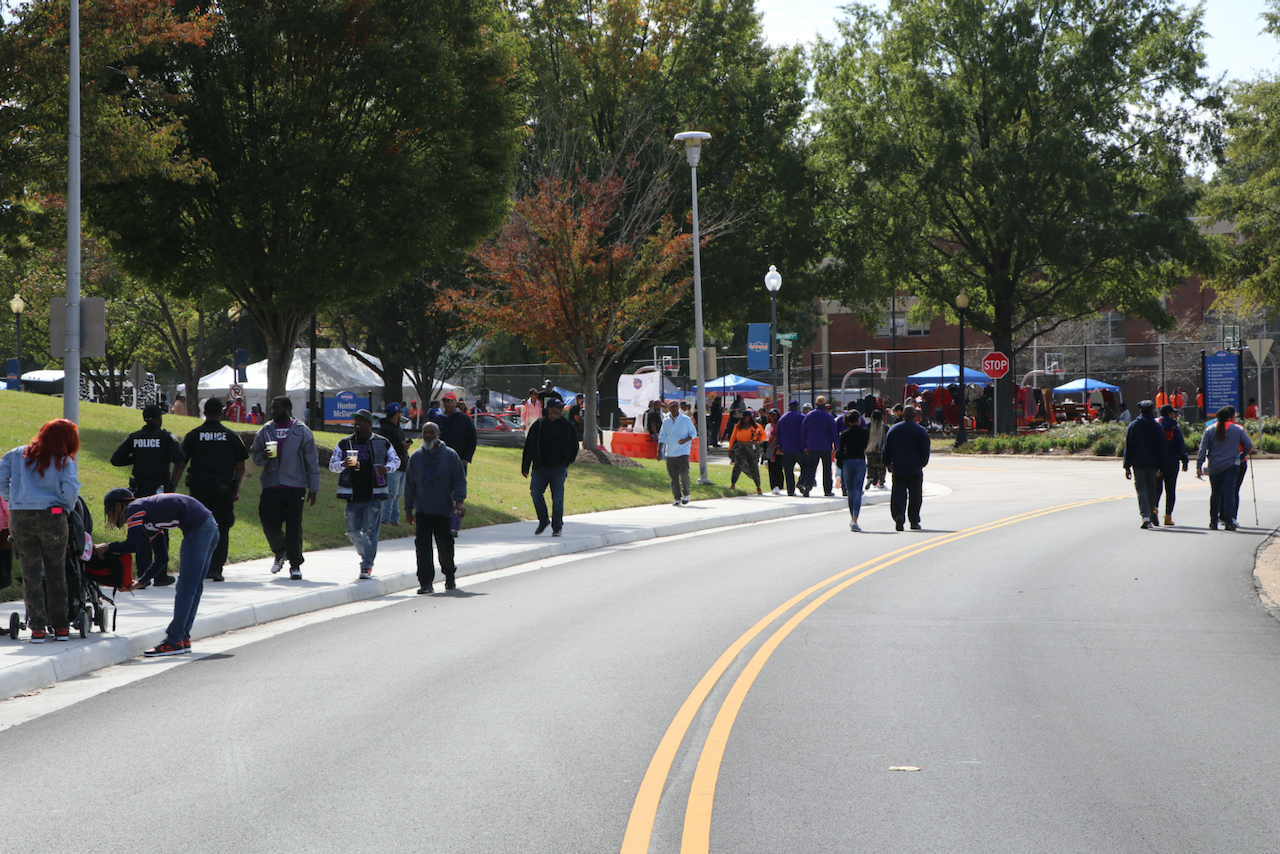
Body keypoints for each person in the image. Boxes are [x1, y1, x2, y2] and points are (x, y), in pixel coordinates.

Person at [98, 489, 219, 656]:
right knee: (193, 587)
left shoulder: (134, 507)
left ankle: (174, 640)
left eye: (109, 511)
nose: (110, 517)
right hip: (209, 526)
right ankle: (182, 638)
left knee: (186, 587)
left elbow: (133, 545)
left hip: (199, 528)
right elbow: (162, 557)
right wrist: (141, 582)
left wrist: (108, 546)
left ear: (119, 505)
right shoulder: (149, 518)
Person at [0, 419, 80, 642]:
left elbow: (1, 479)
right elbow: (70, 490)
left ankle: (37, 628)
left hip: (21, 517)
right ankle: (61, 626)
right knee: (56, 572)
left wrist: (12, 499)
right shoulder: (64, 460)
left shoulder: (17, 454)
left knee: (30, 574)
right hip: (52, 516)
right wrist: (66, 508)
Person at [171, 397, 249, 582]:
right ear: (222, 413)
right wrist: (237, 488)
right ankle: (216, 569)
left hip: (199, 489)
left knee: (198, 526)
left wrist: (172, 484)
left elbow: (181, 463)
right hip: (224, 488)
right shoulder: (231, 436)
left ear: (204, 413)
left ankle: (200, 567)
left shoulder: (193, 435)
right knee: (221, 526)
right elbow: (240, 466)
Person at [110, 404, 185, 586]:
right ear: (159, 419)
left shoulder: (134, 438)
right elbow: (180, 459)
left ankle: (144, 573)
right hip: (159, 490)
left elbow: (116, 459)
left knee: (141, 529)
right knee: (159, 529)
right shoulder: (166, 437)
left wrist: (135, 458)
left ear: (144, 419)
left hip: (139, 490)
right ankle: (160, 576)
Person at [250, 396, 320, 579]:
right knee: (267, 521)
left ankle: (295, 565)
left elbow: (312, 462)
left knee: (293, 526)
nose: (274, 411)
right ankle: (281, 550)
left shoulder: (302, 431)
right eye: (272, 408)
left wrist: (313, 488)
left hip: (295, 486)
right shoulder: (265, 430)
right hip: (271, 485)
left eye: (277, 408)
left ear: (288, 408)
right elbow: (255, 456)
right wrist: (263, 456)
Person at [328, 409, 400, 580]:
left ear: (369, 423)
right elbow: (332, 465)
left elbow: (396, 460)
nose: (357, 424)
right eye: (356, 421)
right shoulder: (345, 443)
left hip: (374, 494)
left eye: (361, 421)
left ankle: (366, 565)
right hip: (352, 494)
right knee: (352, 531)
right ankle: (366, 553)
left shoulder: (382, 442)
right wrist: (343, 464)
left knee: (371, 531)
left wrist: (386, 468)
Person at [405, 422, 467, 593]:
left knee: (445, 545)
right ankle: (425, 583)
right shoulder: (416, 457)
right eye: (425, 432)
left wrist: (459, 501)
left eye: (432, 432)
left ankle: (449, 576)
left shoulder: (450, 455)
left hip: (444, 509)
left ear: (439, 434)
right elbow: (410, 485)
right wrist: (408, 510)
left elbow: (459, 480)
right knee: (422, 546)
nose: (428, 435)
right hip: (423, 510)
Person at [521, 397, 579, 536]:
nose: (560, 410)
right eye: (557, 408)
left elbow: (574, 447)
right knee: (535, 492)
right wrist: (525, 466)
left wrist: (566, 462)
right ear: (549, 409)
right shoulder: (539, 425)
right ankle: (543, 520)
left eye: (561, 408)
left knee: (557, 498)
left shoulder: (567, 426)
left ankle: (557, 527)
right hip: (540, 468)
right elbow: (529, 446)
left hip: (558, 468)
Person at [1197, 406, 1253, 531]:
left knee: (1215, 493)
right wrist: (1241, 456)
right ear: (1229, 417)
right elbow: (1249, 444)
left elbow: (1202, 448)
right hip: (1232, 465)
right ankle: (1228, 521)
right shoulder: (1238, 429)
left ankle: (1213, 521)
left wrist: (1199, 465)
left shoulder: (1210, 429)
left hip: (1215, 466)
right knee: (1229, 494)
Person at [882, 404, 930, 531]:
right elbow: (925, 450)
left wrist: (887, 463)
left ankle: (898, 515)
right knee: (915, 496)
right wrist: (923, 463)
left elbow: (886, 448)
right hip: (915, 468)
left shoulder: (893, 430)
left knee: (898, 494)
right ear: (915, 416)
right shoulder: (921, 431)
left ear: (902, 415)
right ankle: (914, 520)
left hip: (898, 468)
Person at [1122, 400, 1166, 529]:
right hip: (1153, 464)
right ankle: (1151, 513)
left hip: (1138, 463)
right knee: (1152, 489)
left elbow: (1128, 447)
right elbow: (1162, 449)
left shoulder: (1133, 426)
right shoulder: (1158, 427)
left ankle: (1145, 516)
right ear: (1152, 410)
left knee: (1141, 489)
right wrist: (1162, 467)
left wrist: (1127, 466)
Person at [1154, 404, 1189, 527]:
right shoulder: (1174, 427)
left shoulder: (1155, 425)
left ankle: (1154, 509)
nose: (1175, 415)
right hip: (1172, 461)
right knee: (1170, 490)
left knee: (1156, 489)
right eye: (1173, 413)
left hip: (1157, 461)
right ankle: (1168, 517)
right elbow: (1180, 445)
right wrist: (1184, 461)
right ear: (1169, 414)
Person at [377, 402, 411, 526]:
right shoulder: (385, 429)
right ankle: (385, 519)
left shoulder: (398, 428)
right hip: (392, 467)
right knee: (391, 494)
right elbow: (383, 447)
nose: (401, 414)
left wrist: (404, 445)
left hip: (402, 465)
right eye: (400, 412)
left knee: (397, 495)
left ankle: (394, 520)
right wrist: (400, 446)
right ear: (396, 413)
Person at [657, 399, 697, 505]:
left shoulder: (686, 420)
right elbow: (662, 436)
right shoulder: (666, 421)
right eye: (672, 407)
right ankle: (677, 498)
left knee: (684, 473)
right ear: (669, 408)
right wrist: (659, 451)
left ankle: (686, 493)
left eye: (676, 407)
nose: (674, 409)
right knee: (673, 477)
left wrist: (686, 440)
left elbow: (693, 433)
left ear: (678, 407)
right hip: (670, 452)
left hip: (683, 451)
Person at [836, 411, 870, 531]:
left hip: (847, 462)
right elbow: (865, 446)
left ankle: (852, 518)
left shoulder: (844, 434)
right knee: (857, 491)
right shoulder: (864, 432)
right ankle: (855, 519)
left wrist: (840, 464)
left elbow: (840, 451)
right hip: (860, 461)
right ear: (858, 420)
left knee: (850, 491)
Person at [801, 395, 840, 497]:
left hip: (812, 446)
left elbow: (803, 431)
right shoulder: (828, 416)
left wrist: (805, 445)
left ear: (816, 404)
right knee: (827, 468)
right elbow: (834, 433)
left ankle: (808, 486)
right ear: (824, 404)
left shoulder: (809, 416)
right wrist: (836, 446)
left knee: (811, 468)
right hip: (826, 446)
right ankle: (827, 490)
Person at [728, 410, 766, 494]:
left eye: (748, 418)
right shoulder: (738, 426)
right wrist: (730, 449)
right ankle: (733, 484)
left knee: (754, 467)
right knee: (738, 465)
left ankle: (758, 487)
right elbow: (733, 437)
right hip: (740, 448)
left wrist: (758, 441)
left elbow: (763, 435)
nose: (746, 419)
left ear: (751, 418)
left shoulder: (756, 426)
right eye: (744, 418)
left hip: (752, 449)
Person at [775, 400, 805, 496]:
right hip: (800, 447)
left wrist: (779, 445)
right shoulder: (802, 417)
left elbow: (778, 434)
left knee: (788, 470)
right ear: (797, 407)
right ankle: (801, 482)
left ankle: (790, 490)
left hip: (787, 448)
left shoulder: (782, 419)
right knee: (806, 466)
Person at [865, 410, 887, 489]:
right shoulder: (884, 427)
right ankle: (881, 482)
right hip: (881, 450)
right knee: (881, 467)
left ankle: (870, 478)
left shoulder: (868, 426)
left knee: (871, 465)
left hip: (870, 449)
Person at [763, 409, 784, 494]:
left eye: (774, 415)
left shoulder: (780, 425)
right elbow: (765, 436)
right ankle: (773, 486)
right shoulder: (768, 426)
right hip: (770, 449)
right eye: (770, 415)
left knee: (778, 468)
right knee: (771, 468)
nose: (772, 417)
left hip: (778, 448)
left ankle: (779, 485)